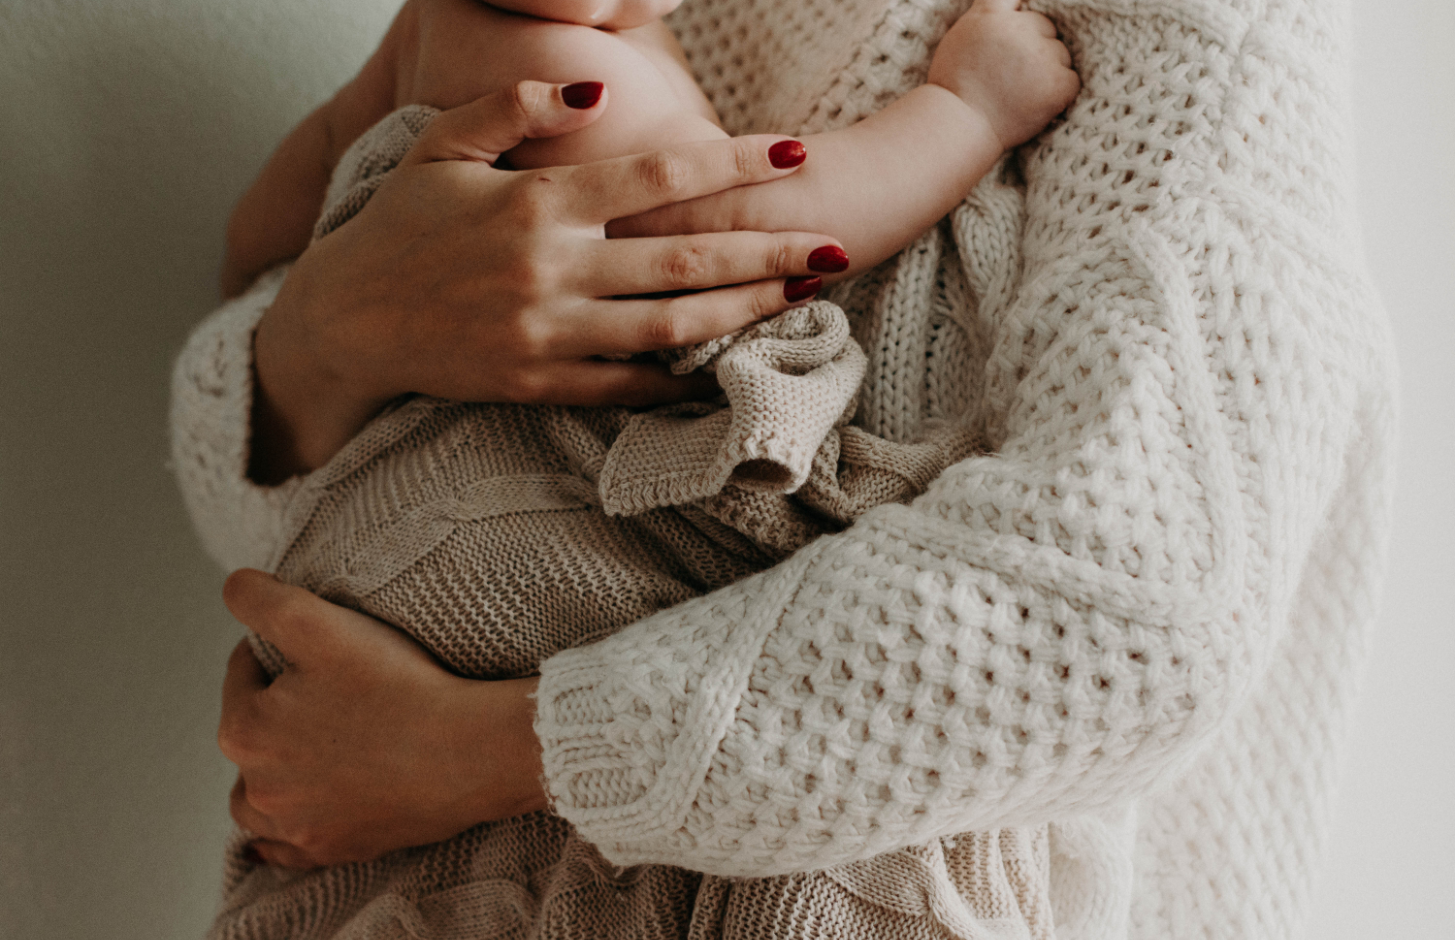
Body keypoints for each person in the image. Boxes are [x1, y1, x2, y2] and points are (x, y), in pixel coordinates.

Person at [173, 0, 1397, 937]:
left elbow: (1139, 613)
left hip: (716, 819)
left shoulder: (1208, 49)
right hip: (444, 700)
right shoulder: (551, 46)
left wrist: (468, 750)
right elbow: (741, 237)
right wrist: (334, 324)